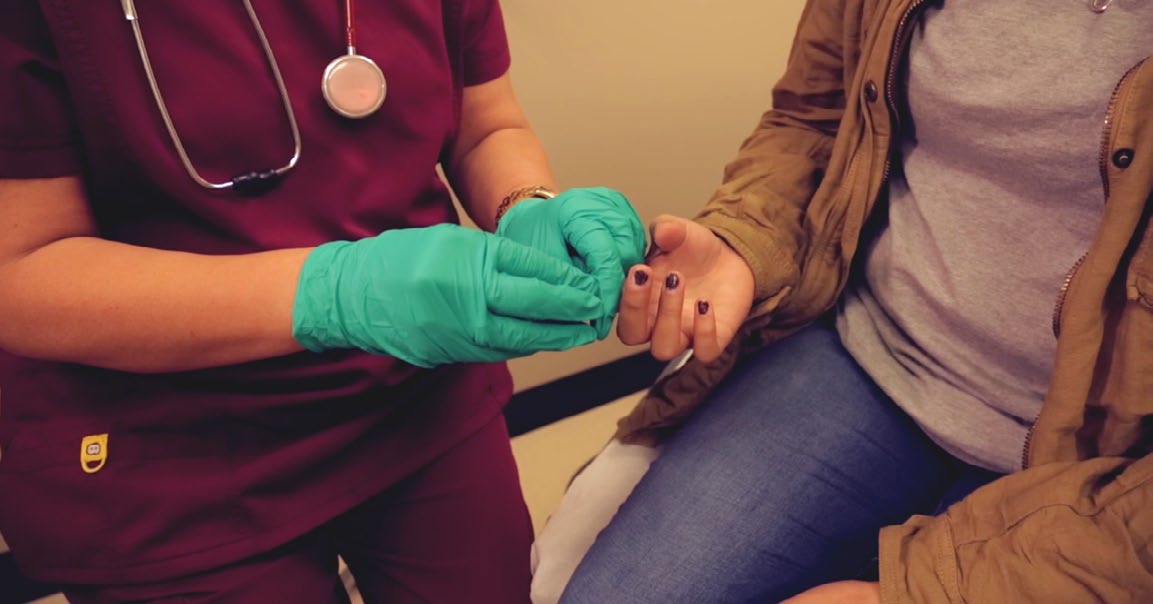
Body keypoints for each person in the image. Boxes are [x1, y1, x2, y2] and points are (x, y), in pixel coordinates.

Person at [0, 1, 644, 603]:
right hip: (167, 459)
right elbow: (21, 272)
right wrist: (336, 292)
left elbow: (485, 124)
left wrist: (526, 206)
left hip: (418, 399)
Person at [557, 0, 1153, 603]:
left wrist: (913, 591)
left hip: (1101, 473)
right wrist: (747, 241)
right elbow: (813, 119)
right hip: (869, 351)